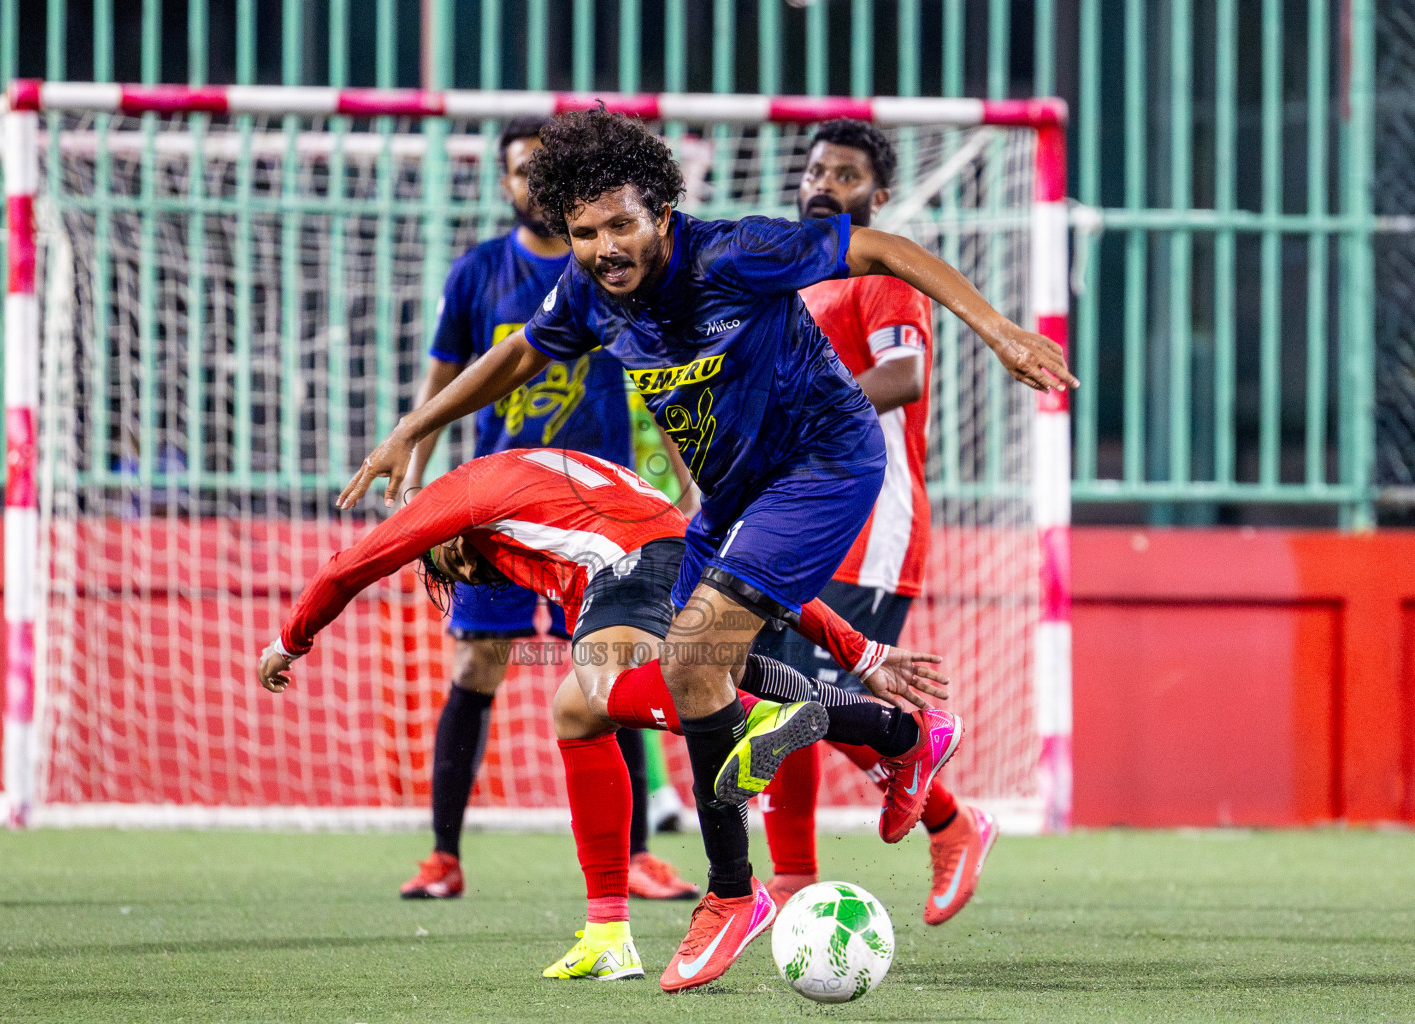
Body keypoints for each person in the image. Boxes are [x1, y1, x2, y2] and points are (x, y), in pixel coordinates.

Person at [335, 106, 1076, 991]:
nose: (605, 247)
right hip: (735, 497)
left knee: (692, 663)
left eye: (621, 224)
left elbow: (887, 252)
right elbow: (519, 357)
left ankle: (735, 892)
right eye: (584, 232)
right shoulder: (585, 290)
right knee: (591, 698)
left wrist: (1002, 335)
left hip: (824, 463)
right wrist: (410, 427)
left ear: (660, 210)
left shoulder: (734, 252)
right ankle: (900, 740)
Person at [258, 448, 950, 984]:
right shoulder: (562, 499)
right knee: (605, 704)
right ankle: (899, 736)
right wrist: (858, 654)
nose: (465, 573)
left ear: (442, 533)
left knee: (599, 690)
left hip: (631, 564)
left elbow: (353, 565)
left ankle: (738, 807)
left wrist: (290, 640)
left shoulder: (458, 496)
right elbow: (749, 573)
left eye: (447, 562)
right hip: (680, 552)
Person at [398, 117, 696, 903]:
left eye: (541, 168)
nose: (530, 182)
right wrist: (415, 476)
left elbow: (659, 376)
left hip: (600, 518)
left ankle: (634, 857)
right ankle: (443, 856)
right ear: (505, 184)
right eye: (518, 170)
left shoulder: (608, 269)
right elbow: (441, 385)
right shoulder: (475, 276)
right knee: (477, 666)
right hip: (496, 517)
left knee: (611, 671)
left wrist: (686, 478)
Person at [754, 119, 999, 924]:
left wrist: (799, 425)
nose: (826, 183)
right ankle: (792, 878)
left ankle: (952, 819)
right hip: (793, 520)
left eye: (848, 175)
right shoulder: (793, 287)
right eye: (818, 169)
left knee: (809, 698)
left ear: (878, 195)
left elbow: (905, 374)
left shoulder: (880, 270)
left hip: (870, 523)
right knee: (770, 696)